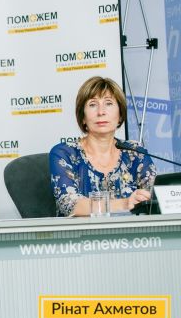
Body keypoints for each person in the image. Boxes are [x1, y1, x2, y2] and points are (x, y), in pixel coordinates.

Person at [49, 76, 156, 217]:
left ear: (120, 114)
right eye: (92, 105)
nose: (101, 112)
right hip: (81, 231)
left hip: (131, 231)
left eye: (109, 103)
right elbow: (69, 204)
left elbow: (154, 198)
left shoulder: (135, 152)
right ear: (83, 117)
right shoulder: (65, 153)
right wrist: (124, 204)